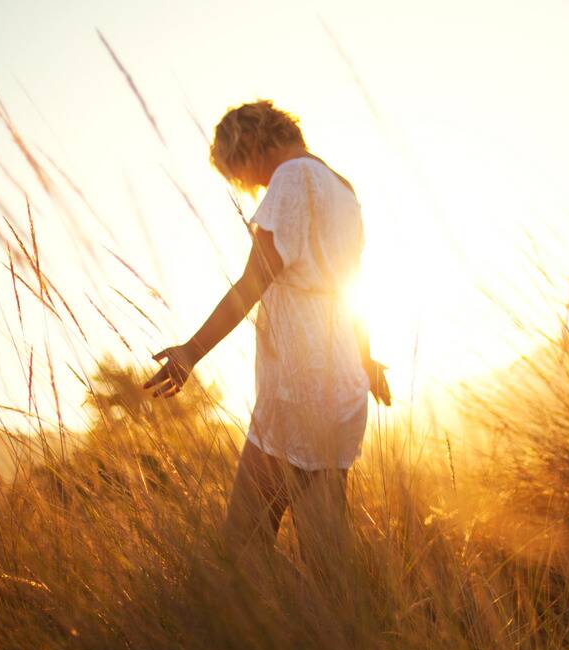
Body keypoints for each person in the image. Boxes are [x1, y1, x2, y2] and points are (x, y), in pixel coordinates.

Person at [143, 100, 390, 567]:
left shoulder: (291, 179)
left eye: (238, 168)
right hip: (341, 388)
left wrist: (190, 352)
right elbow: (349, 287)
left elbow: (255, 279)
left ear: (250, 143)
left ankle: (262, 636)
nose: (248, 183)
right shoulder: (342, 187)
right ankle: (337, 635)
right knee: (327, 560)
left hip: (299, 387)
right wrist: (365, 362)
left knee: (242, 545)